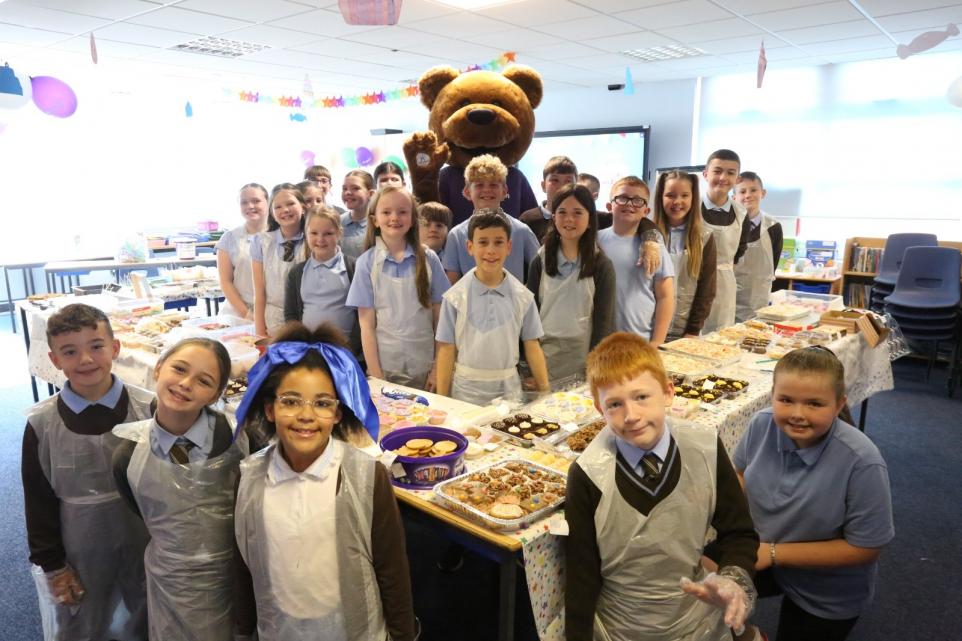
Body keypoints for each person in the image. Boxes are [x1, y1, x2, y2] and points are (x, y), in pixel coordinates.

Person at [566, 332, 758, 641]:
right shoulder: (588, 474)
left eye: (642, 397)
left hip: (694, 617)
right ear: (599, 410)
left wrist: (734, 577)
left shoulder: (705, 448)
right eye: (614, 404)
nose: (631, 416)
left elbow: (740, 533)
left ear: (668, 392)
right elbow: (581, 575)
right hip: (621, 627)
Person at [232, 322, 417, 641]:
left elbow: (392, 570)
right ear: (270, 408)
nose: (306, 415)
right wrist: (243, 630)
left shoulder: (365, 476)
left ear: (338, 414)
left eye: (321, 403)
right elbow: (245, 565)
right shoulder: (250, 477)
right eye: (290, 401)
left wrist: (403, 635)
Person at [733, 347, 894, 641]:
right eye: (786, 400)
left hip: (827, 584)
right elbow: (740, 475)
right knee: (698, 581)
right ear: (772, 395)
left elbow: (866, 547)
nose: (797, 414)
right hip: (767, 549)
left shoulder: (862, 461)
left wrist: (772, 553)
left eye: (814, 404)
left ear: (839, 404)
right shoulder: (761, 424)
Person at [22, 304, 153, 641]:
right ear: (54, 360)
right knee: (84, 623)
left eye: (96, 346)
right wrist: (52, 565)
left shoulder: (149, 409)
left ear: (115, 348)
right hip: (80, 547)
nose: (85, 360)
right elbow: (37, 501)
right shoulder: (42, 424)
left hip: (145, 538)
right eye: (70, 351)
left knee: (150, 614)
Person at [112, 338, 247, 641]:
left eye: (204, 381)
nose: (186, 384)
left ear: (215, 394)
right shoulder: (128, 455)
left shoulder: (239, 439)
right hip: (171, 582)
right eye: (179, 369)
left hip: (232, 578)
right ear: (159, 368)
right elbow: (145, 508)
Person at [436, 210, 549, 404]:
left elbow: (532, 345)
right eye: (483, 242)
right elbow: (446, 349)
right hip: (465, 395)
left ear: (509, 247)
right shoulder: (455, 297)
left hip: (509, 393)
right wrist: (441, 399)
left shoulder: (523, 296)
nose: (491, 250)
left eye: (498, 242)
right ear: (470, 247)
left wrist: (545, 391)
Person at [346, 185, 449, 390]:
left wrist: (438, 368)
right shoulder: (366, 263)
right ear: (375, 219)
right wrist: (376, 374)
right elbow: (367, 326)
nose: (395, 217)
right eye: (386, 212)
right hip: (386, 369)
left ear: (412, 219)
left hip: (425, 368)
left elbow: (441, 319)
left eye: (402, 212)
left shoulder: (429, 258)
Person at [525, 184, 615, 385]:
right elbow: (528, 315)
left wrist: (594, 366)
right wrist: (528, 365)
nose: (569, 219)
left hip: (582, 359)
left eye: (577, 213)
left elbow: (603, 323)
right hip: (542, 357)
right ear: (553, 217)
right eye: (562, 212)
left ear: (590, 220)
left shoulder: (601, 264)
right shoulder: (540, 260)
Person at [597, 176, 675, 345]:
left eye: (638, 200)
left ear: (646, 211)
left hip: (640, 340)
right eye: (622, 198)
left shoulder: (655, 247)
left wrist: (657, 342)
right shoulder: (595, 242)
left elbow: (665, 296)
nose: (630, 204)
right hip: (599, 340)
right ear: (610, 206)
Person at [442, 154, 540, 285]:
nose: (487, 190)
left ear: (504, 191)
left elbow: (541, 269)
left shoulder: (522, 231)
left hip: (513, 304)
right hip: (471, 304)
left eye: (493, 185)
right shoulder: (456, 235)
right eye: (479, 185)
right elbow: (451, 284)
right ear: (467, 192)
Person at [651, 170, 717, 340]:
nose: (677, 202)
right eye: (670, 195)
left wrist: (693, 330)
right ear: (660, 197)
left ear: (693, 199)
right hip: (648, 328)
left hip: (684, 332)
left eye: (684, 195)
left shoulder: (705, 237)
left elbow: (706, 289)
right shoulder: (648, 235)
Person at [284, 206, 359, 354]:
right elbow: (291, 315)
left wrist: (350, 349)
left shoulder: (354, 268)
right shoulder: (296, 273)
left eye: (328, 233)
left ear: (339, 233)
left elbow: (363, 316)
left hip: (346, 353)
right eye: (314, 233)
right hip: (308, 352)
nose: (320, 239)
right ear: (306, 234)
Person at [701, 149, 750, 332]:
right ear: (706, 174)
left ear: (737, 179)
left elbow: (739, 251)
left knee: (720, 336)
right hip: (691, 282)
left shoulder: (742, 213)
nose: (723, 177)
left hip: (724, 285)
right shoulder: (690, 208)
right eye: (717, 171)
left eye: (730, 173)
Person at [252, 183, 306, 337]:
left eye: (290, 204)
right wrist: (260, 334)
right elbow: (259, 293)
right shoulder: (261, 242)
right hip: (273, 321)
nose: (285, 210)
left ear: (302, 206)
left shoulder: (314, 239)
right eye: (278, 207)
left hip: (307, 318)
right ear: (271, 212)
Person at [734, 171, 783, 322]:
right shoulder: (728, 226)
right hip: (729, 297)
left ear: (763, 193)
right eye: (742, 191)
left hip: (758, 300)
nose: (748, 195)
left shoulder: (773, 227)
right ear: (734, 197)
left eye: (753, 190)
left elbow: (772, 265)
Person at [216, 183, 269, 320]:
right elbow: (226, 282)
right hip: (238, 313)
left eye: (256, 201)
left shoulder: (279, 235)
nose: (250, 206)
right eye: (244, 202)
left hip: (272, 312)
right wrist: (246, 314)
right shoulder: (229, 238)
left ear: (268, 202)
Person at [520, 155, 578, 242]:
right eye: (555, 180)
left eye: (568, 181)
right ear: (543, 186)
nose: (561, 186)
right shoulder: (527, 220)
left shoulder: (585, 217)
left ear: (576, 186)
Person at [339, 170, 376, 261]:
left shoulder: (378, 223)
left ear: (371, 194)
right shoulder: (337, 222)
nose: (348, 192)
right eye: (344, 188)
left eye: (355, 188)